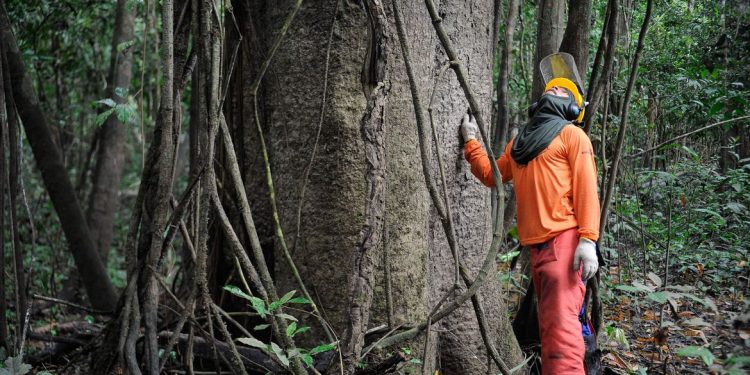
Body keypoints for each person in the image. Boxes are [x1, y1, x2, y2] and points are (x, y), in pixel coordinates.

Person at [460, 54, 600, 375]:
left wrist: (588, 240)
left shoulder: (571, 136)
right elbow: (491, 173)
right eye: (556, 91)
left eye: (564, 93)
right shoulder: (521, 143)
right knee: (558, 328)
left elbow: (586, 190)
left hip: (564, 247)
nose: (558, 95)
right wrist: (470, 141)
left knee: (561, 333)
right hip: (541, 252)